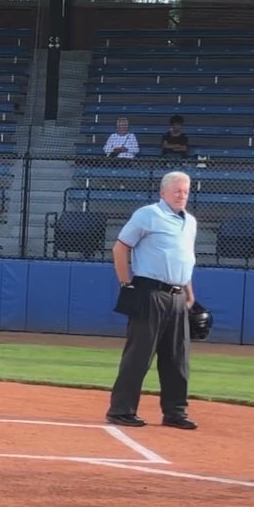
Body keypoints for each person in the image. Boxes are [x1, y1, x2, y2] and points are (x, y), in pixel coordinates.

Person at [106, 171, 199, 430]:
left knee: (177, 358)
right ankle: (121, 410)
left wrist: (189, 291)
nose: (182, 195)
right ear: (163, 192)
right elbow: (120, 247)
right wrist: (126, 284)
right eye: (177, 191)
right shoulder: (148, 214)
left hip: (178, 294)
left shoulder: (190, 222)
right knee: (139, 355)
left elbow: (184, 258)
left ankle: (175, 412)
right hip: (150, 291)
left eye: (186, 191)